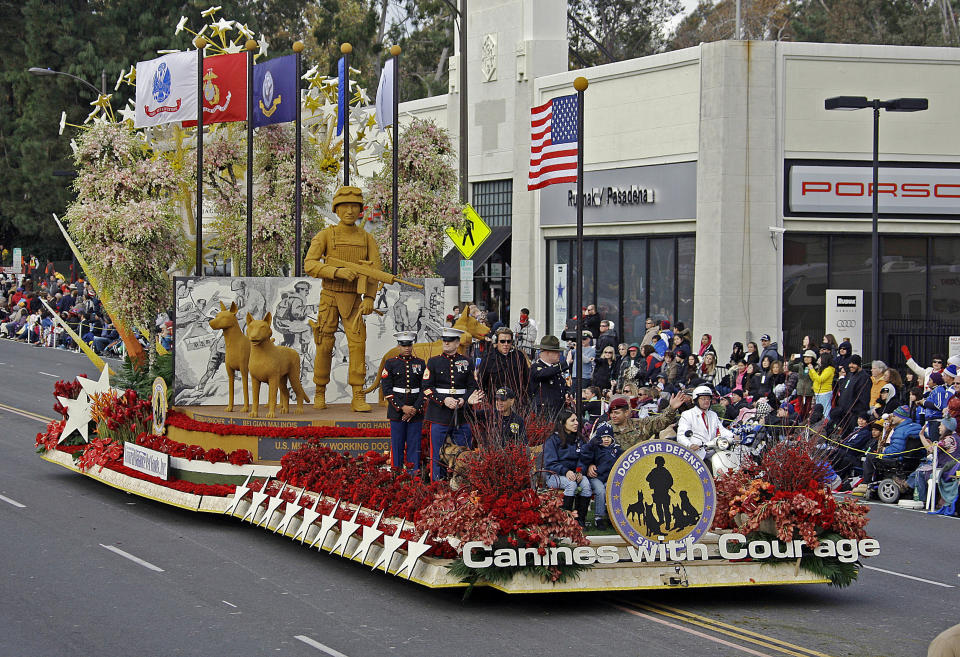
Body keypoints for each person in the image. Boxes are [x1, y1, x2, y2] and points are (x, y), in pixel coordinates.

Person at [304, 186, 383, 412]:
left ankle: (358, 394)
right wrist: (336, 272)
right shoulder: (326, 235)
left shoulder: (367, 239)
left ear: (360, 210)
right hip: (329, 297)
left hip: (355, 301)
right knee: (325, 344)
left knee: (358, 345)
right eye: (344, 206)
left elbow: (375, 272)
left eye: (354, 206)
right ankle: (320, 391)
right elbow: (310, 264)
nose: (349, 210)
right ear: (336, 209)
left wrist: (369, 298)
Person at [422, 327, 477, 481]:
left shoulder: (467, 361)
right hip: (440, 414)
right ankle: (437, 484)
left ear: (457, 342)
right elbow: (426, 388)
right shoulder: (434, 362)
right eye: (444, 340)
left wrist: (463, 400)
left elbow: (473, 386)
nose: (446, 343)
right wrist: (443, 400)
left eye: (450, 340)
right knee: (437, 452)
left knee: (464, 453)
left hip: (462, 414)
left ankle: (462, 483)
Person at [381, 331, 425, 473]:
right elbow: (387, 389)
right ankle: (396, 474)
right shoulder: (391, 363)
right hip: (397, 411)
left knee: (414, 445)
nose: (407, 348)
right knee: (397, 446)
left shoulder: (420, 363)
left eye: (409, 345)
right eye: (403, 345)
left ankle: (414, 476)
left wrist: (415, 409)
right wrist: (402, 408)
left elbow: (424, 388)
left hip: (415, 412)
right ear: (399, 346)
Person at [543, 409, 593, 527]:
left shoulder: (579, 439)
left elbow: (584, 458)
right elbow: (550, 463)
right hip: (554, 475)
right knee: (571, 485)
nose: (576, 423)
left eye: (576, 420)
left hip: (575, 473)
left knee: (586, 485)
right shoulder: (552, 440)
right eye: (572, 420)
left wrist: (580, 471)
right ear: (562, 422)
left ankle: (580, 520)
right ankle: (565, 521)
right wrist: (566, 471)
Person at [861, 405, 922, 486]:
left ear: (901, 417)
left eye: (894, 416)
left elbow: (896, 450)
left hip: (899, 460)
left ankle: (866, 483)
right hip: (915, 460)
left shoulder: (900, 430)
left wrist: (884, 450)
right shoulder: (917, 427)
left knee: (870, 456)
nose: (892, 418)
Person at [605, 392, 689, 450]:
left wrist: (672, 408)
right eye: (612, 412)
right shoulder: (604, 428)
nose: (613, 415)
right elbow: (593, 448)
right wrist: (591, 465)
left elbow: (660, 421)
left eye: (616, 413)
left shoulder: (640, 425)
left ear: (626, 412)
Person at [907, 416, 959, 508]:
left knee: (920, 472)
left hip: (946, 470)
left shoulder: (949, 439)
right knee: (923, 465)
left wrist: (921, 436)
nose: (939, 427)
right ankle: (906, 485)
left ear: (948, 427)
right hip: (951, 468)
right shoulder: (956, 437)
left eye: (941, 425)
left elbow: (931, 449)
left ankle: (921, 500)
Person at [579, 423, 622, 529]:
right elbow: (585, 455)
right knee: (600, 490)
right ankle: (599, 518)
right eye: (603, 437)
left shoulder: (616, 450)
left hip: (610, 478)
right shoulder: (594, 448)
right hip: (596, 477)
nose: (606, 439)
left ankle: (613, 517)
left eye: (609, 437)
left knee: (613, 489)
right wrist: (590, 465)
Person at [677, 385, 734, 462]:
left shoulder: (713, 414)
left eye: (708, 398)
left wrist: (733, 436)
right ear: (696, 400)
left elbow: (721, 430)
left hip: (712, 452)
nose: (706, 401)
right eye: (703, 398)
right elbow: (681, 436)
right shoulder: (687, 414)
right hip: (695, 455)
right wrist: (689, 445)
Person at [476, 326, 530, 402]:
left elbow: (527, 379)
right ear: (496, 341)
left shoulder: (519, 356)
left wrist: (526, 399)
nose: (506, 344)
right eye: (502, 341)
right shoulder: (488, 358)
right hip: (495, 402)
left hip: (517, 401)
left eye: (508, 341)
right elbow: (481, 383)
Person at [828, 355, 872, 435]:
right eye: (850, 363)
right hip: (844, 413)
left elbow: (864, 398)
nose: (851, 366)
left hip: (854, 414)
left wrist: (854, 411)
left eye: (854, 364)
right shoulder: (850, 375)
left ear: (858, 364)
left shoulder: (864, 377)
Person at [528, 335, 571, 416]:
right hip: (544, 412)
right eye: (556, 352)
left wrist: (567, 393)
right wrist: (565, 363)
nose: (559, 354)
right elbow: (545, 373)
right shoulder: (536, 367)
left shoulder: (555, 369)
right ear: (546, 352)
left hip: (558, 410)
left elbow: (562, 384)